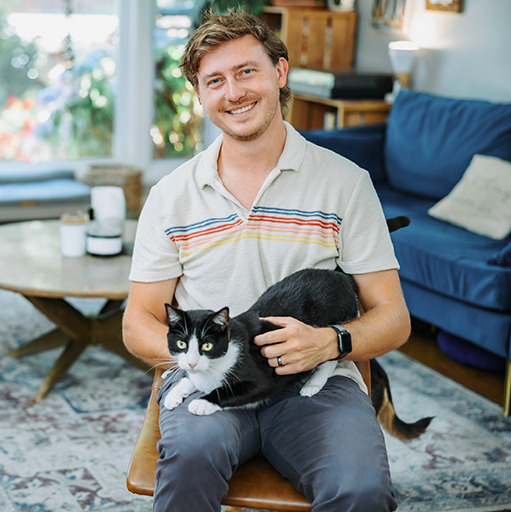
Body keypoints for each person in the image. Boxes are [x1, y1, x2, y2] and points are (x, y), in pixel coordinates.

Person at [122, 10, 410, 512]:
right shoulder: (170, 196)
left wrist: (332, 341)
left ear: (279, 73)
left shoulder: (346, 183)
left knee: (360, 488)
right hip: (210, 381)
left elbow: (394, 317)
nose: (233, 92)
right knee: (189, 458)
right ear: (202, 95)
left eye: (246, 72)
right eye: (215, 80)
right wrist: (197, 366)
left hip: (315, 387)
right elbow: (136, 321)